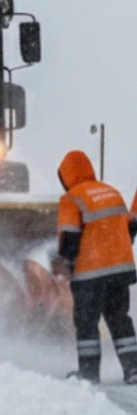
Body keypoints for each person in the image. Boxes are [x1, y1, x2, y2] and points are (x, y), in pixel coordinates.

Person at [55, 150, 137, 383]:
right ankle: (133, 370)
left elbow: (70, 235)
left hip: (90, 273)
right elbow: (128, 227)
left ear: (67, 176)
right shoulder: (112, 192)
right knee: (120, 319)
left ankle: (89, 374)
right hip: (120, 271)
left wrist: (67, 264)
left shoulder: (71, 198)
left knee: (86, 322)